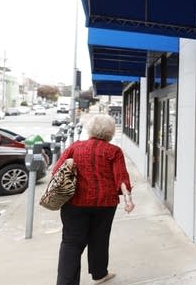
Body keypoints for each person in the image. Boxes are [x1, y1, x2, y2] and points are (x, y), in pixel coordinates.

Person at [53, 114, 135, 285]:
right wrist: (128, 200)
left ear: (90, 129)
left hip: (74, 203)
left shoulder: (75, 147)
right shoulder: (114, 151)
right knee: (100, 239)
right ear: (110, 132)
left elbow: (56, 171)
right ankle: (99, 274)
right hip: (104, 204)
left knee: (71, 243)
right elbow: (121, 178)